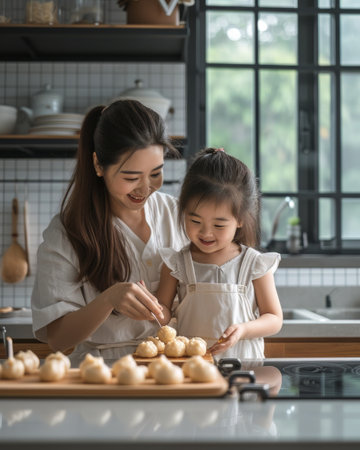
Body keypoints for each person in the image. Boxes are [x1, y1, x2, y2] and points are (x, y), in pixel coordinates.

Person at [31, 99, 188, 361]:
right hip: (100, 374)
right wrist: (108, 300)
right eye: (131, 177)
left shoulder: (176, 215)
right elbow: (58, 338)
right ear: (98, 165)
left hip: (173, 368)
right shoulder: (67, 231)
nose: (145, 188)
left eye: (156, 173)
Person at [154, 148, 283, 359]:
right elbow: (164, 314)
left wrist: (244, 330)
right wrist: (152, 309)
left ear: (241, 219)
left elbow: (274, 318)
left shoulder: (253, 264)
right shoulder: (176, 264)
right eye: (195, 221)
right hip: (192, 368)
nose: (206, 232)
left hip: (244, 368)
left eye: (219, 224)